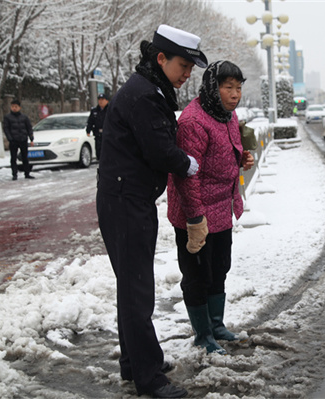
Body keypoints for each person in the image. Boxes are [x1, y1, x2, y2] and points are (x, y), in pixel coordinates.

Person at [96, 24, 208, 399]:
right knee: (138, 290)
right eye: (183, 65)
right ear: (160, 59)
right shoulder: (144, 95)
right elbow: (159, 149)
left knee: (131, 287)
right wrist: (188, 163)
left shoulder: (149, 87)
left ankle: (135, 363)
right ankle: (148, 379)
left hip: (128, 199)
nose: (188, 73)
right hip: (125, 202)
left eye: (191, 67)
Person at [167, 60, 255, 355]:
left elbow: (227, 151)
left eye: (238, 88)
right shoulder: (193, 121)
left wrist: (241, 159)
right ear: (212, 88)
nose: (235, 94)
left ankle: (217, 326)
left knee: (219, 269)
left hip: (221, 210)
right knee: (197, 276)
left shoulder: (227, 115)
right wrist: (194, 219)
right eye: (228, 87)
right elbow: (187, 174)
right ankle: (203, 334)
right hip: (197, 212)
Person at [3, 100, 34, 180]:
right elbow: (6, 128)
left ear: (19, 107)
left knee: (25, 157)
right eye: (13, 106)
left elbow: (29, 127)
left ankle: (27, 173)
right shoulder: (7, 117)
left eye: (16, 107)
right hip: (13, 140)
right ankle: (14, 174)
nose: (14, 108)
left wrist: (31, 138)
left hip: (23, 139)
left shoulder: (24, 117)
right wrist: (10, 138)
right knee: (13, 158)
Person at [86, 93, 109, 160]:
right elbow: (90, 121)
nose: (100, 101)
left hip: (108, 135)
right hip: (98, 135)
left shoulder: (110, 110)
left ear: (107, 101)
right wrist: (88, 130)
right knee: (99, 152)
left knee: (108, 152)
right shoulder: (94, 111)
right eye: (99, 100)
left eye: (102, 99)